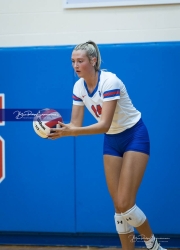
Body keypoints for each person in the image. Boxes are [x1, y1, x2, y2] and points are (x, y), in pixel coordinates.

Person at [48, 41, 166, 250]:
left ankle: (154, 247)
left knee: (126, 205)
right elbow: (75, 124)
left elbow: (104, 124)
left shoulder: (110, 82)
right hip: (112, 141)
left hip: (134, 136)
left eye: (80, 61)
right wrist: (60, 130)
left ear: (93, 61)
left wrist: (72, 131)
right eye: (73, 61)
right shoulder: (78, 86)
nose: (75, 65)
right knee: (119, 210)